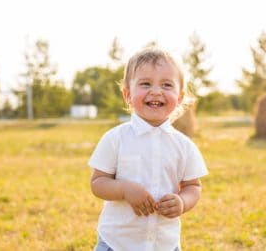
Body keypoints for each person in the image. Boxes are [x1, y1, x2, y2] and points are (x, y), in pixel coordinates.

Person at [89, 46, 208, 251]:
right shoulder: (115, 139)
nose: (156, 91)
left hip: (164, 243)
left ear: (179, 98)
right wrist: (125, 189)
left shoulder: (184, 145)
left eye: (166, 85)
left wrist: (182, 202)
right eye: (145, 84)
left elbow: (193, 187)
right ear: (127, 94)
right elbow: (98, 183)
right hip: (117, 243)